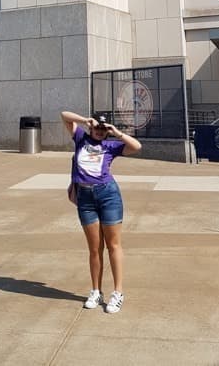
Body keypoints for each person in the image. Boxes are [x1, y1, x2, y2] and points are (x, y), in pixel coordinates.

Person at [61, 109, 141, 314]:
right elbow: (64, 115)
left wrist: (116, 132)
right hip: (85, 198)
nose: (99, 131)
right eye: (97, 127)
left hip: (108, 196)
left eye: (103, 129)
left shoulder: (110, 146)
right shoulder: (80, 138)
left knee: (113, 245)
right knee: (95, 248)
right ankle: (96, 290)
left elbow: (137, 147)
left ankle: (118, 292)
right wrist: (85, 120)